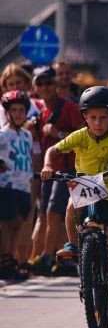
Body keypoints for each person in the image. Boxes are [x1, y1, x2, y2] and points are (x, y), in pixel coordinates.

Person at [41, 87, 108, 310]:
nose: (98, 122)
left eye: (104, 117)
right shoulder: (79, 136)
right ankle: (72, 244)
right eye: (93, 117)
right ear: (84, 116)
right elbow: (53, 151)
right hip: (84, 188)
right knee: (69, 206)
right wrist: (48, 165)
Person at [29, 66, 83, 275]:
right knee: (48, 214)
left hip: (67, 169)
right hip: (49, 170)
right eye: (40, 84)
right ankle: (60, 259)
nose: (45, 87)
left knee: (53, 213)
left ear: (55, 84)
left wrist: (57, 132)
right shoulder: (43, 112)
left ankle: (47, 256)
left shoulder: (68, 107)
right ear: (35, 87)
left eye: (48, 83)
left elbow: (81, 137)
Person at [0, 91, 34, 280]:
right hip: (7, 184)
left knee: (19, 223)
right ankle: (5, 260)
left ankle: (11, 258)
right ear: (7, 113)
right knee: (7, 223)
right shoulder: (3, 135)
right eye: (14, 110)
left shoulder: (27, 135)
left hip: (24, 186)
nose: (19, 113)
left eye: (22, 110)